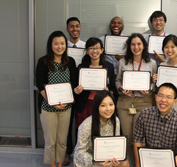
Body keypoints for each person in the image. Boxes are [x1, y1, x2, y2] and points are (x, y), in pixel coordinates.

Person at [36, 30, 77, 167]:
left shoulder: (70, 62)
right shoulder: (43, 61)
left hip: (66, 107)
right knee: (50, 140)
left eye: (62, 43)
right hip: (48, 107)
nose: (60, 46)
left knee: (62, 139)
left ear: (66, 45)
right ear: (51, 45)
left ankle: (59, 164)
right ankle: (52, 165)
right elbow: (40, 83)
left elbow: (73, 83)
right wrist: (51, 102)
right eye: (56, 44)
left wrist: (75, 92)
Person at [116, 33, 157, 166]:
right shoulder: (122, 62)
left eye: (139, 44)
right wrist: (121, 88)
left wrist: (150, 89)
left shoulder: (152, 63)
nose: (136, 47)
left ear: (144, 46)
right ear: (129, 46)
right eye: (133, 44)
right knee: (128, 138)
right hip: (125, 102)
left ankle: (142, 164)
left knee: (141, 138)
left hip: (144, 102)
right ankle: (133, 164)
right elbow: (117, 81)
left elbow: (155, 83)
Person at [134, 83, 177, 167]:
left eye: (169, 97)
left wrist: (167, 164)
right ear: (155, 97)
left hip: (172, 161)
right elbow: (137, 140)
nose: (163, 100)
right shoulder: (145, 114)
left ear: (175, 102)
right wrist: (138, 164)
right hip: (149, 159)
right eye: (160, 95)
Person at [74, 90, 129, 167]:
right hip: (91, 161)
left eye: (111, 104)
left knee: (125, 163)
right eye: (103, 105)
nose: (108, 109)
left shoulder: (116, 120)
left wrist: (117, 159)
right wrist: (95, 161)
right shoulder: (87, 124)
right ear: (97, 107)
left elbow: (116, 144)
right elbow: (78, 153)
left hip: (108, 158)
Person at [74, 37, 117, 130]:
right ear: (86, 51)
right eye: (91, 48)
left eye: (97, 48)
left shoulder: (108, 66)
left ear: (102, 50)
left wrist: (109, 92)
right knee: (84, 131)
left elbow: (113, 88)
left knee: (101, 131)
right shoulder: (81, 68)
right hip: (85, 105)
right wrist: (76, 91)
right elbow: (75, 88)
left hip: (103, 105)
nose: (94, 51)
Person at [64, 16, 86, 166]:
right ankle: (67, 153)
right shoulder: (61, 46)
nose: (74, 29)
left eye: (77, 26)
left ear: (80, 28)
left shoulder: (86, 46)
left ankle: (81, 152)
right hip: (66, 89)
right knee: (66, 124)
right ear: (67, 30)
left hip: (83, 89)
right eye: (71, 26)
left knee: (82, 123)